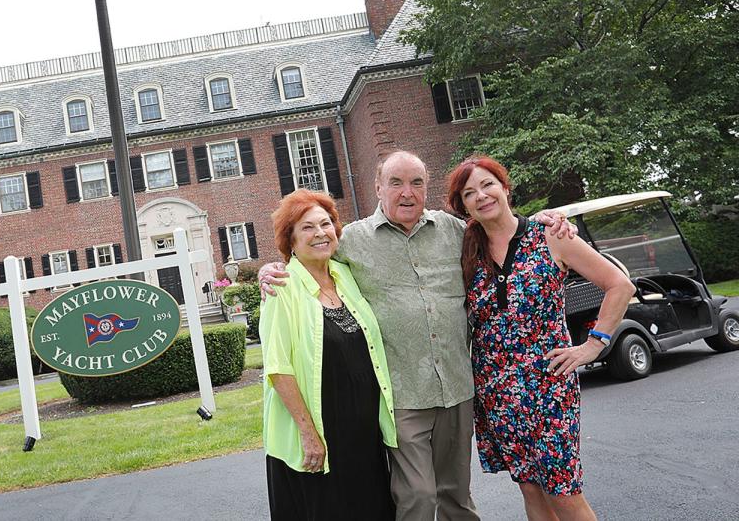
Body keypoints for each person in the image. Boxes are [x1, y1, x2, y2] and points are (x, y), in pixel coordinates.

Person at [260, 150, 574, 521]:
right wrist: (270, 268)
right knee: (418, 498)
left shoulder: (456, 231)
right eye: (395, 183)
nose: (406, 192)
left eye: (416, 183)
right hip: (404, 396)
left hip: (457, 389)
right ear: (378, 188)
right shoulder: (352, 241)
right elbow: (310, 245)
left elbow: (501, 227)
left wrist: (545, 220)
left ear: (427, 188)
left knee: (456, 496)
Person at [446, 156, 634, 521]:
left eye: (488, 185)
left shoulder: (550, 236)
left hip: (548, 385)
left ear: (505, 188)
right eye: (470, 193)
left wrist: (593, 344)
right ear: (464, 206)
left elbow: (619, 286)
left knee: (562, 491)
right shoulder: (468, 250)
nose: (481, 196)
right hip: (496, 390)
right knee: (530, 488)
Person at [261, 189, 397, 520]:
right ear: (290, 240)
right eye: (307, 227)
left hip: (362, 434)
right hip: (318, 433)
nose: (320, 233)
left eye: (325, 224)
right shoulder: (282, 286)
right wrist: (310, 435)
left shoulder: (345, 276)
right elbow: (279, 369)